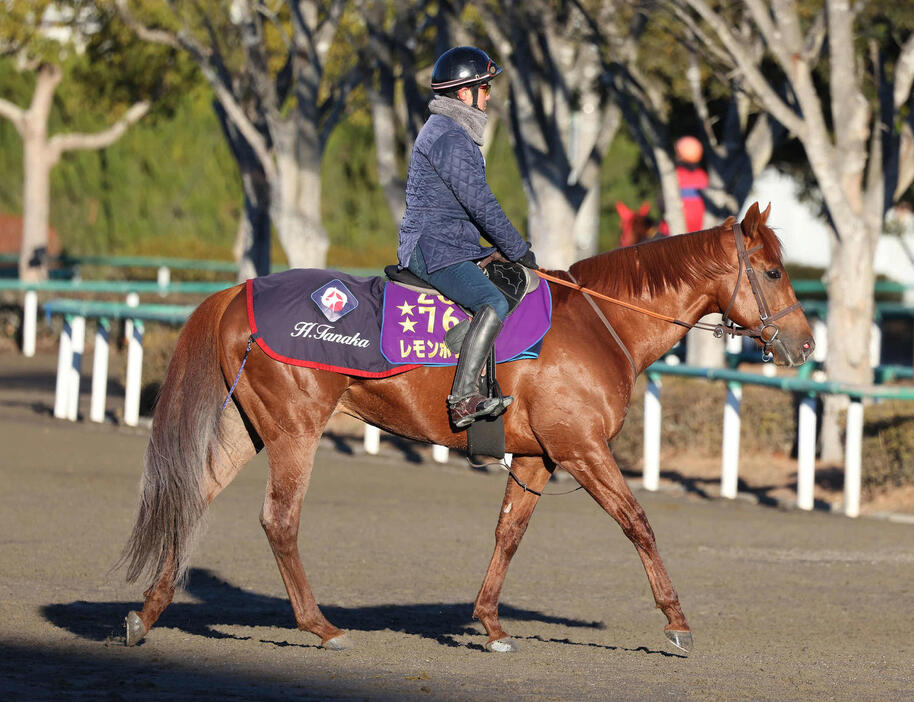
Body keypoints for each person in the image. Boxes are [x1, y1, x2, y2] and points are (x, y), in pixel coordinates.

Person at [397, 46, 537, 429]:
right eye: (485, 87)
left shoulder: (453, 131)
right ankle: (463, 400)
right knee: (492, 299)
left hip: (450, 245)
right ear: (464, 94)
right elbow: (480, 203)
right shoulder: (448, 136)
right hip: (431, 248)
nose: (488, 95)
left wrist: (498, 252)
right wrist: (518, 250)